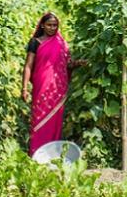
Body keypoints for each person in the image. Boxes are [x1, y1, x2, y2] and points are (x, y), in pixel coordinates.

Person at [21, 12, 86, 155]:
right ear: (42, 25)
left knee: (55, 120)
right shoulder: (35, 42)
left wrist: (78, 64)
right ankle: (36, 152)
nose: (52, 28)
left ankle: (51, 154)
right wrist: (24, 88)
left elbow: (67, 64)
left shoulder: (61, 43)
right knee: (39, 118)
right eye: (49, 25)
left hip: (57, 87)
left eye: (55, 25)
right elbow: (28, 66)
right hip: (41, 85)